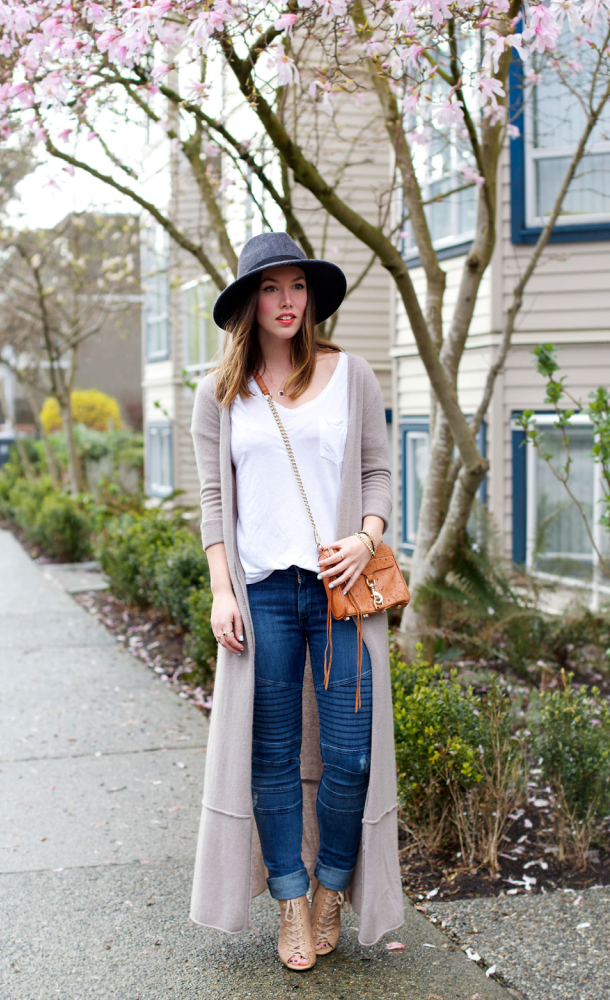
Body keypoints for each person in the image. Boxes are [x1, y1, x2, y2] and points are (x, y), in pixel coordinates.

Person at [190, 232, 403, 970]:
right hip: (264, 594)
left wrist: (366, 540)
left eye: (298, 287)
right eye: (272, 288)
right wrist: (224, 591)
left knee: (349, 759)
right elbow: (215, 500)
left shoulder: (353, 374)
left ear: (312, 297)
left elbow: (378, 472)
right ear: (251, 300)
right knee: (272, 755)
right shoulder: (220, 392)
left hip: (341, 590)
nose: (286, 302)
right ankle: (288, 901)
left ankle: (331, 889)